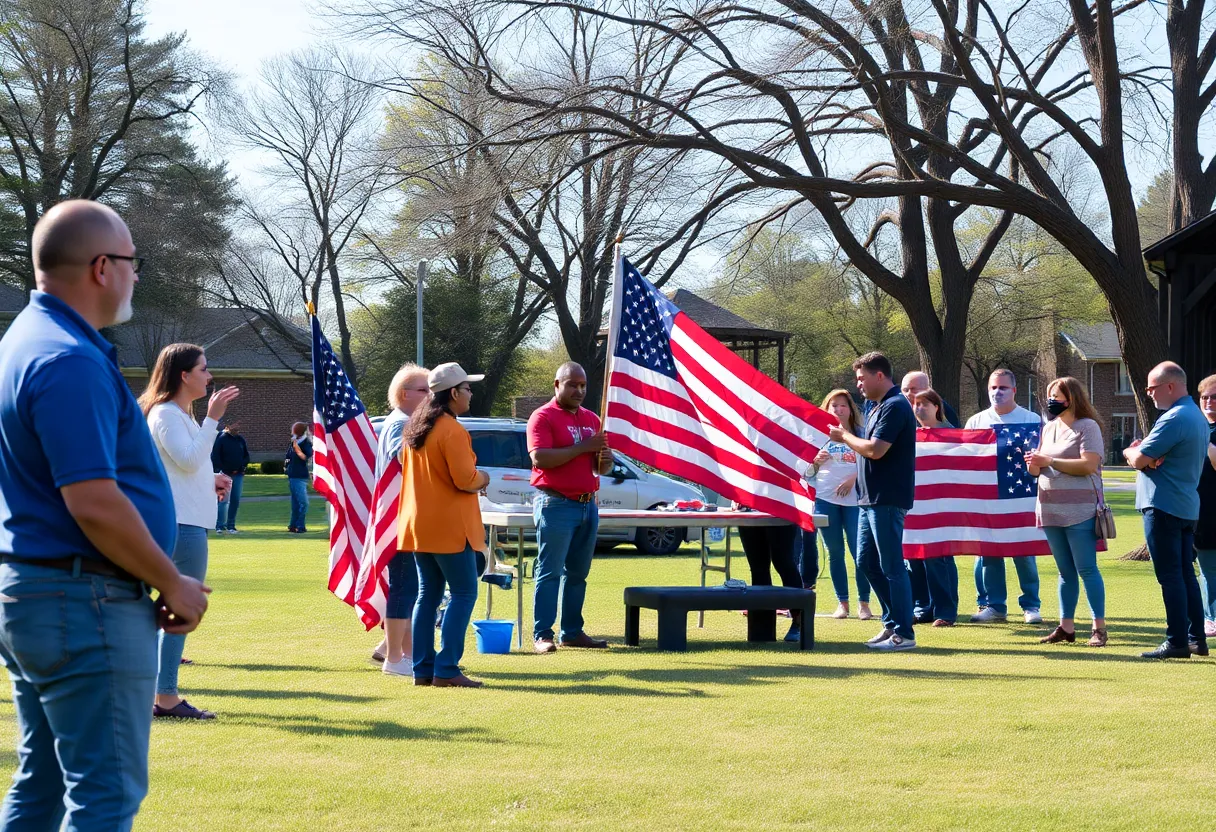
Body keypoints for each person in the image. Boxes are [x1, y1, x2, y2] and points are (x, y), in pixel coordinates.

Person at [0, 200, 210, 829]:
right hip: (81, 596)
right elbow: (90, 499)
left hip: (43, 590)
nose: (136, 276)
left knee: (42, 784)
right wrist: (169, 579)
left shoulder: (25, 340)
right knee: (105, 794)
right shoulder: (67, 358)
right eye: (132, 262)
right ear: (101, 268)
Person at [141, 344, 240, 718]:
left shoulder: (177, 414)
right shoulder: (166, 413)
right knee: (179, 610)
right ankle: (165, 697)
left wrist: (208, 479)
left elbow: (186, 465)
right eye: (203, 368)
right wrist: (214, 417)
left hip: (183, 520)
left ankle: (154, 693)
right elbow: (187, 458)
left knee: (165, 611)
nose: (209, 375)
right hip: (180, 525)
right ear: (184, 375)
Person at [398, 363, 490, 686]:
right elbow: (466, 479)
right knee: (464, 592)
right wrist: (485, 478)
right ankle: (447, 668)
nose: (470, 394)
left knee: (428, 595)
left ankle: (422, 669)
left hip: (419, 526)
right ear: (453, 393)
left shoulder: (416, 429)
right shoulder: (451, 429)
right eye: (467, 388)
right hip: (450, 527)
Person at [830, 351, 919, 651]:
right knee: (866, 562)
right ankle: (891, 623)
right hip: (868, 499)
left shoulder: (895, 406)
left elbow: (875, 450)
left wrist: (844, 437)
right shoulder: (875, 406)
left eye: (861, 378)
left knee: (892, 565)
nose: (858, 385)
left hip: (888, 498)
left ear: (879, 376)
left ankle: (904, 633)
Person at [527, 362, 615, 653]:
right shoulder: (542, 417)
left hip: (588, 504)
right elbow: (540, 458)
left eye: (583, 386)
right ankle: (542, 635)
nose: (579, 391)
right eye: (572, 385)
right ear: (557, 385)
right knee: (549, 571)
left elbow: (601, 466)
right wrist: (584, 447)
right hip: (555, 502)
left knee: (578, 573)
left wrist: (606, 458)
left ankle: (572, 632)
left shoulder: (592, 418)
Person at [1124, 361, 1210, 659]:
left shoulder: (1174, 418)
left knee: (1171, 575)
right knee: (1186, 573)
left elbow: (1138, 459)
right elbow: (1149, 456)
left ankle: (1176, 641)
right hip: (1186, 506)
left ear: (1170, 386)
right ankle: (1196, 638)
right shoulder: (1196, 416)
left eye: (1152, 387)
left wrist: (1131, 451)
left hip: (1163, 505)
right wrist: (1145, 454)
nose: (1148, 393)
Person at [1024, 377, 1108, 647]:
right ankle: (1066, 627)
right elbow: (1039, 469)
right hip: (1050, 510)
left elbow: (1087, 465)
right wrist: (1034, 464)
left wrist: (1048, 460)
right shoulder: (1048, 429)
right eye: (1049, 395)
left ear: (1071, 398)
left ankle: (1099, 628)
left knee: (1087, 569)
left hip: (1080, 510)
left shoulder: (1088, 426)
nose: (1051, 401)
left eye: (1056, 396)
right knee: (1064, 572)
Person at [965, 369, 1043, 624]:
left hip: (1022, 496)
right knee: (990, 553)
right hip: (987, 499)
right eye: (993, 388)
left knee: (1024, 553)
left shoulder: (1031, 419)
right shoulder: (976, 421)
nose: (997, 393)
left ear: (1014, 390)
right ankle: (995, 605)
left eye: (1002, 388)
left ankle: (1031, 605)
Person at [373, 362, 431, 675]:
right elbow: (403, 455)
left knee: (409, 586)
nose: (430, 395)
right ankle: (394, 657)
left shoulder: (404, 420)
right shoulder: (401, 423)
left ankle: (400, 653)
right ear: (405, 394)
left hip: (404, 515)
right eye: (424, 390)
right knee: (405, 586)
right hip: (399, 517)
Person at [900, 372, 958, 622]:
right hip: (912, 504)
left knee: (938, 558)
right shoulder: (906, 429)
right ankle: (922, 607)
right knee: (914, 558)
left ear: (938, 407)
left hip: (940, 506)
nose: (917, 406)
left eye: (924, 402)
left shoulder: (951, 433)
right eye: (914, 402)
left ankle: (945, 610)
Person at [810, 388, 870, 621]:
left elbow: (872, 461)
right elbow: (805, 473)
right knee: (835, 552)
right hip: (825, 499)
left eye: (843, 405)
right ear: (826, 409)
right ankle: (842, 603)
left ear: (850, 409)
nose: (838, 409)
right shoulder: (816, 436)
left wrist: (853, 479)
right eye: (833, 405)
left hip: (856, 501)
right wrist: (814, 463)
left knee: (860, 553)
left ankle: (864, 603)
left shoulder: (861, 433)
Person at [1195, 374, 1216, 639]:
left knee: (1210, 568)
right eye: (1204, 397)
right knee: (1205, 568)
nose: (1209, 401)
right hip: (1195, 511)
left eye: (1214, 397)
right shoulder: (1200, 427)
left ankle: (1212, 619)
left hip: (1212, 512)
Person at [211, 420, 249, 534]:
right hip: (224, 475)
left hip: (238, 475)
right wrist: (224, 469)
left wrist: (242, 466)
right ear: (228, 426)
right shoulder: (221, 439)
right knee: (222, 500)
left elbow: (246, 456)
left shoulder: (240, 439)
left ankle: (231, 525)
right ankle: (219, 526)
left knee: (235, 500)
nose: (238, 427)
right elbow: (216, 457)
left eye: (239, 424)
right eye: (235, 424)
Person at [286, 421, 313, 533]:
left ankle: (298, 525)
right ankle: (296, 525)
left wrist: (296, 447)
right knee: (298, 503)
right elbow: (288, 457)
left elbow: (305, 457)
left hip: (300, 476)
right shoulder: (294, 443)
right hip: (293, 476)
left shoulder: (306, 444)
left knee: (301, 502)